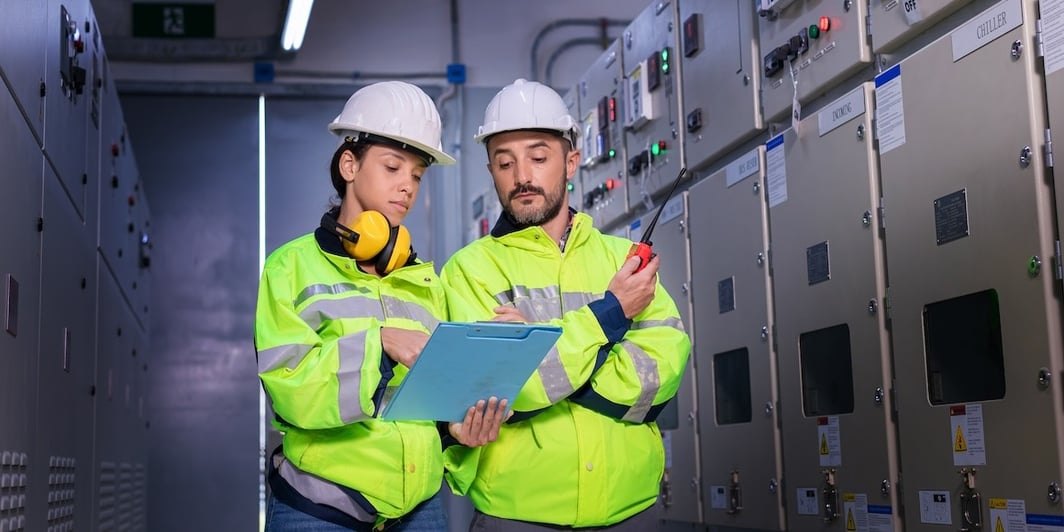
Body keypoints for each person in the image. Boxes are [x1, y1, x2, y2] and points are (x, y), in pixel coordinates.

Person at [440, 78, 692, 531]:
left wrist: (540, 352)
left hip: (630, 511)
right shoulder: (469, 271)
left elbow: (663, 373)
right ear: (491, 171)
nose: (522, 177)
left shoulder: (623, 259)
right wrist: (610, 319)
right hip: (518, 517)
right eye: (504, 162)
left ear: (571, 161)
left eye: (538, 158)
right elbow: (502, 391)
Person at [255, 81, 508, 531]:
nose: (406, 187)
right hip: (320, 504)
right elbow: (293, 392)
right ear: (349, 164)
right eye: (393, 167)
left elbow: (435, 397)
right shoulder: (290, 268)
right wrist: (381, 344)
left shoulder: (424, 280)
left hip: (419, 504)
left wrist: (456, 430)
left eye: (416, 175)